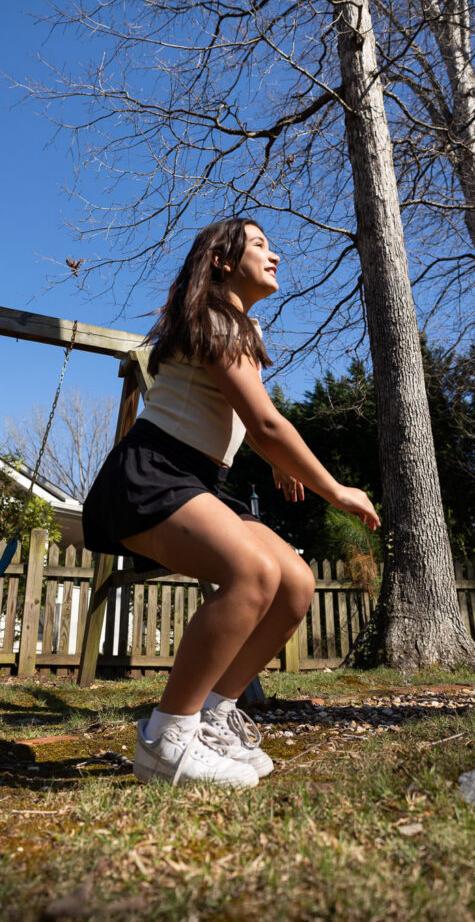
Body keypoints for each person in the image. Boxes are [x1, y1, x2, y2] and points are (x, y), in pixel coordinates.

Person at [82, 217, 380, 787]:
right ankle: (166, 739)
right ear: (222, 260)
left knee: (294, 581)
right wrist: (334, 488)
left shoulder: (240, 323)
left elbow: (238, 416)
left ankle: (216, 717)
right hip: (153, 474)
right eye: (261, 246)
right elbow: (265, 421)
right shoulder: (216, 316)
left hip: (197, 480)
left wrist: (273, 459)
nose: (275, 255)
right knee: (252, 571)